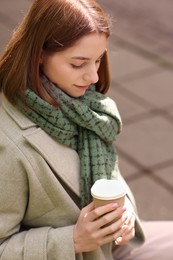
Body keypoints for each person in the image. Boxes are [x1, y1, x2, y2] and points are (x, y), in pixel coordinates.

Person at [0, 0, 172, 259]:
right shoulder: (8, 142)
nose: (93, 77)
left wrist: (125, 215)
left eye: (98, 60)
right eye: (78, 64)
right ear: (39, 54)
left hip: (112, 246)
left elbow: (112, 180)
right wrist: (72, 240)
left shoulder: (86, 108)